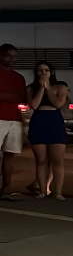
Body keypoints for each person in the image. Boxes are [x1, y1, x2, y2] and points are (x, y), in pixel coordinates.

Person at [26, 61, 70, 199]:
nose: (43, 73)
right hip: (38, 121)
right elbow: (33, 105)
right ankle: (42, 191)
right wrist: (41, 88)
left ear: (52, 72)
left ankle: (58, 192)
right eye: (40, 70)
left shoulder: (61, 87)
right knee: (41, 160)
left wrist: (49, 87)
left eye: (46, 70)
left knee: (57, 160)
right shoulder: (30, 89)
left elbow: (58, 104)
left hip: (54, 122)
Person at [0, 44, 27, 200]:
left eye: (14, 56)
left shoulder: (19, 78)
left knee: (10, 154)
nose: (12, 59)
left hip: (15, 119)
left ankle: (7, 187)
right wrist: (13, 97)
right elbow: (18, 97)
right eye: (8, 55)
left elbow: (22, 98)